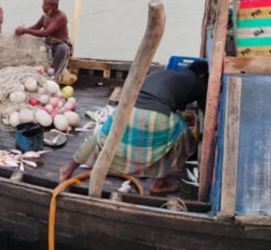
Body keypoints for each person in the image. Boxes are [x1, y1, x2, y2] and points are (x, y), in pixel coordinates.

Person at [59, 61, 209, 194]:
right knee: (180, 135)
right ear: (202, 75)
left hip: (126, 108)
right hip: (155, 114)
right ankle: (159, 183)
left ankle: (67, 170)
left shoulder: (165, 74)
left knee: (102, 138)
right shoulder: (198, 83)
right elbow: (206, 110)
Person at [14, 0, 71, 76]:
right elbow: (36, 27)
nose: (42, 6)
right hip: (49, 45)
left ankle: (55, 73)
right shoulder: (46, 16)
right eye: (43, 4)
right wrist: (22, 30)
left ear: (53, 6)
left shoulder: (60, 17)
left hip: (59, 45)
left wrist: (25, 30)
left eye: (45, 5)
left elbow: (45, 33)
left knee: (62, 48)